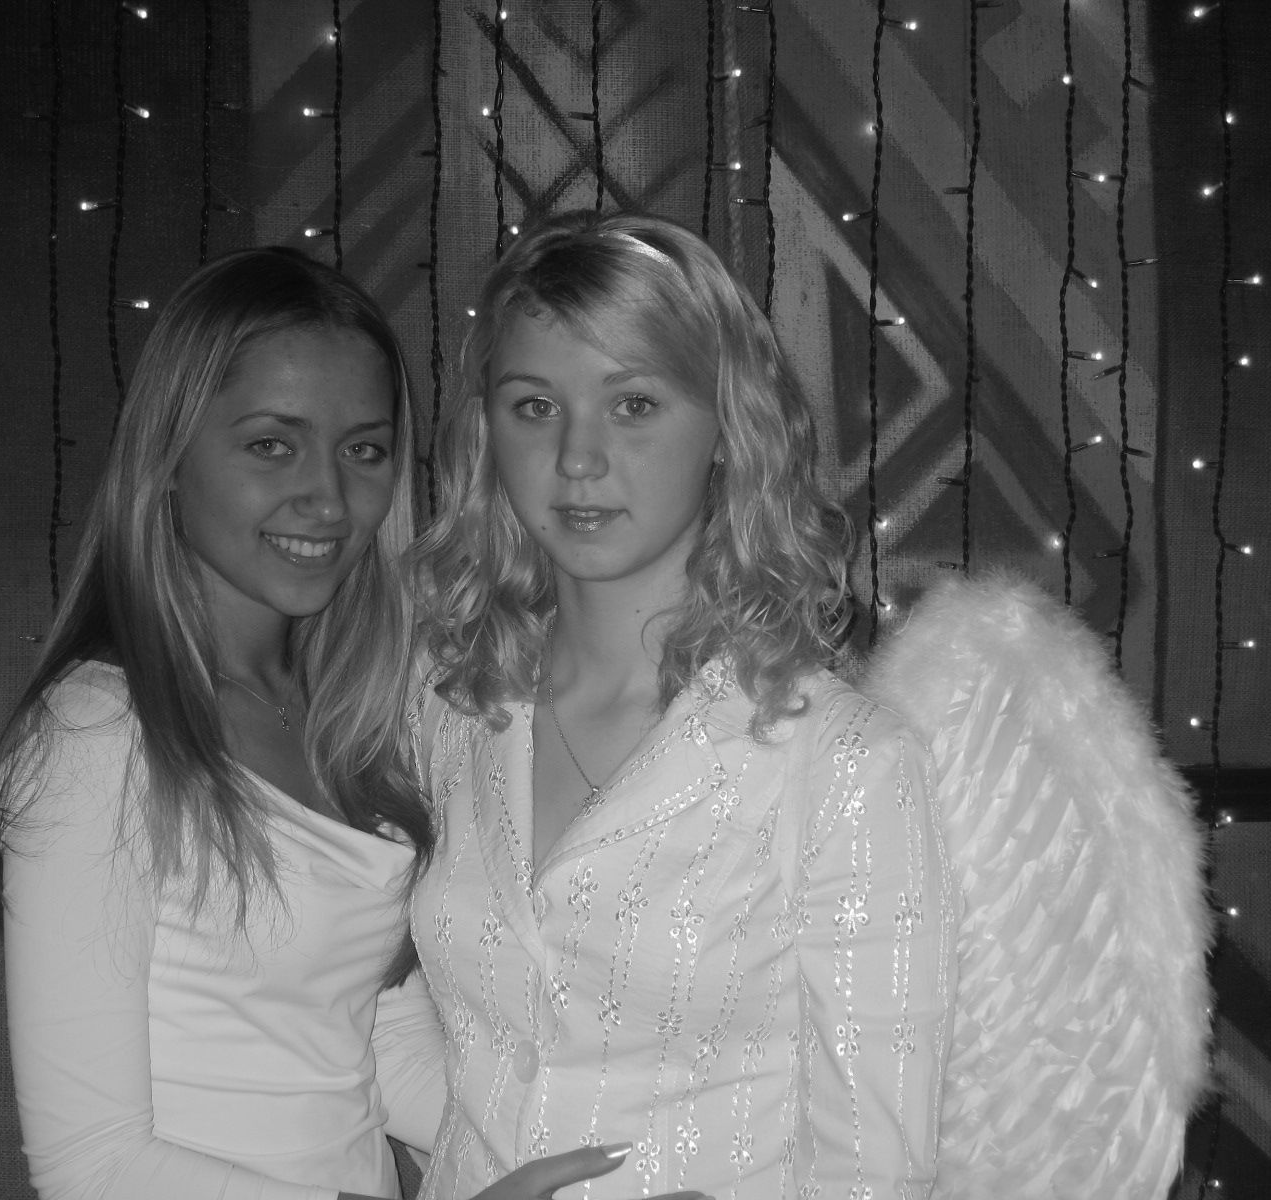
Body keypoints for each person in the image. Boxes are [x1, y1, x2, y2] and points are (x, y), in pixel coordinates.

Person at [0, 248, 674, 1200]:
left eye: (364, 450)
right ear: (169, 456)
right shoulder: (98, 734)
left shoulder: (352, 708)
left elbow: (367, 1042)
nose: (328, 498)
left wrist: (625, 1155)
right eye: (272, 445)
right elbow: (90, 1165)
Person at [409, 212, 959, 1198]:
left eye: (633, 405)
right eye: (534, 406)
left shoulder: (843, 762)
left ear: (725, 428)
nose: (578, 457)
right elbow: (397, 1027)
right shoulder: (448, 708)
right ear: (486, 431)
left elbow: (876, 1175)